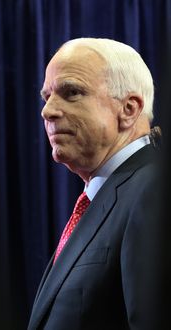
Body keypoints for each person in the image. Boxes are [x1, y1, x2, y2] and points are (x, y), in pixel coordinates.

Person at [28, 38, 161, 329]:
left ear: (128, 109)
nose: (47, 111)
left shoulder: (154, 191)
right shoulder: (106, 196)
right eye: (47, 96)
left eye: (71, 92)